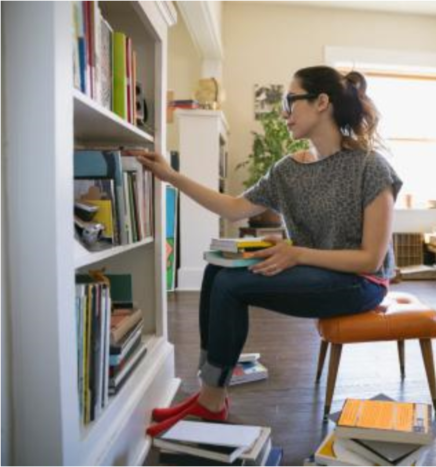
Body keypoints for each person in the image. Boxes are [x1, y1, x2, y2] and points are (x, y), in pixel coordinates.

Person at [139, 66, 402, 436]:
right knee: (218, 269)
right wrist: (173, 177)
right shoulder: (289, 170)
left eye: (290, 101)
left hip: (360, 282)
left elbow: (370, 260)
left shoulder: (371, 168)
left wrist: (296, 253)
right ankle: (211, 388)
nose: (284, 112)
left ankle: (212, 400)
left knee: (232, 286)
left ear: (322, 102)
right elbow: (233, 207)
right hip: (318, 270)